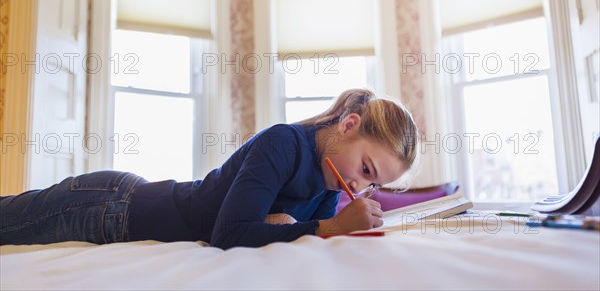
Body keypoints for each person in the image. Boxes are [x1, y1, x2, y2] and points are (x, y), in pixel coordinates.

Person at [0, 89, 418, 249]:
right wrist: (329, 228)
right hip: (114, 206)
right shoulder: (283, 143)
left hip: (132, 203)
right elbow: (230, 233)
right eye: (365, 168)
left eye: (372, 184)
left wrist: (334, 226)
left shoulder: (330, 184)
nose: (358, 186)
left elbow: (292, 235)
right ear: (348, 126)